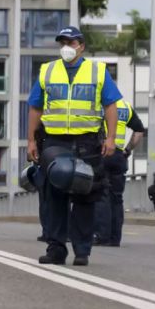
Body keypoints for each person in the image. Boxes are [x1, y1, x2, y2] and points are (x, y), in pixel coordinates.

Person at [26, 26, 121, 266]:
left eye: (71, 42)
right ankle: (56, 248)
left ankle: (82, 250)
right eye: (63, 43)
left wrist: (111, 138)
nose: (66, 47)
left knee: (85, 196)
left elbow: (111, 106)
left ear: (82, 46)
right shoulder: (47, 70)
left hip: (87, 141)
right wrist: (30, 141)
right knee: (53, 196)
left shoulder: (97, 71)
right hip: (55, 141)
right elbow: (35, 107)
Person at [94, 99, 145, 247]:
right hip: (118, 156)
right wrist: (128, 150)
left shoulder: (97, 104)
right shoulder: (126, 107)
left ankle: (102, 235)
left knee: (101, 194)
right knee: (116, 198)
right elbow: (139, 131)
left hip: (101, 153)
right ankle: (115, 238)